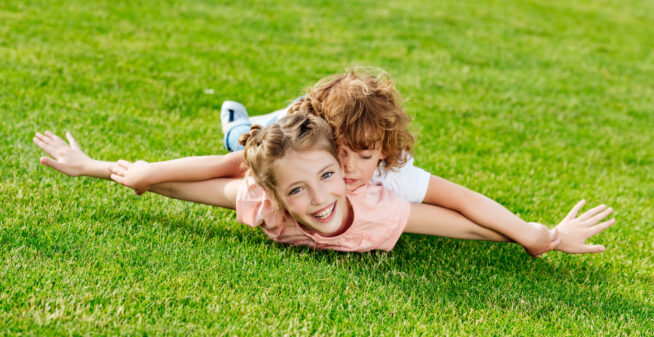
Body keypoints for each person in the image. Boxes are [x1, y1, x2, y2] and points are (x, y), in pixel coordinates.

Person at [33, 113, 614, 254]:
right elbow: (190, 181)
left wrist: (542, 235)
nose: (318, 201)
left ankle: (243, 129)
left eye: (328, 177)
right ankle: (241, 130)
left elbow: (463, 218)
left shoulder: (380, 205)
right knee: (238, 151)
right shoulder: (262, 202)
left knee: (256, 146)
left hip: (282, 149)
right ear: (277, 195)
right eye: (298, 191)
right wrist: (106, 170)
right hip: (255, 157)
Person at [218, 68, 616, 255]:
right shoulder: (304, 136)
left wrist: (534, 235)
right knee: (243, 143)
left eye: (365, 155)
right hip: (278, 126)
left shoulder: (394, 173)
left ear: (384, 152)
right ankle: (237, 126)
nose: (353, 167)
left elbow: (464, 201)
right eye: (340, 155)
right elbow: (242, 170)